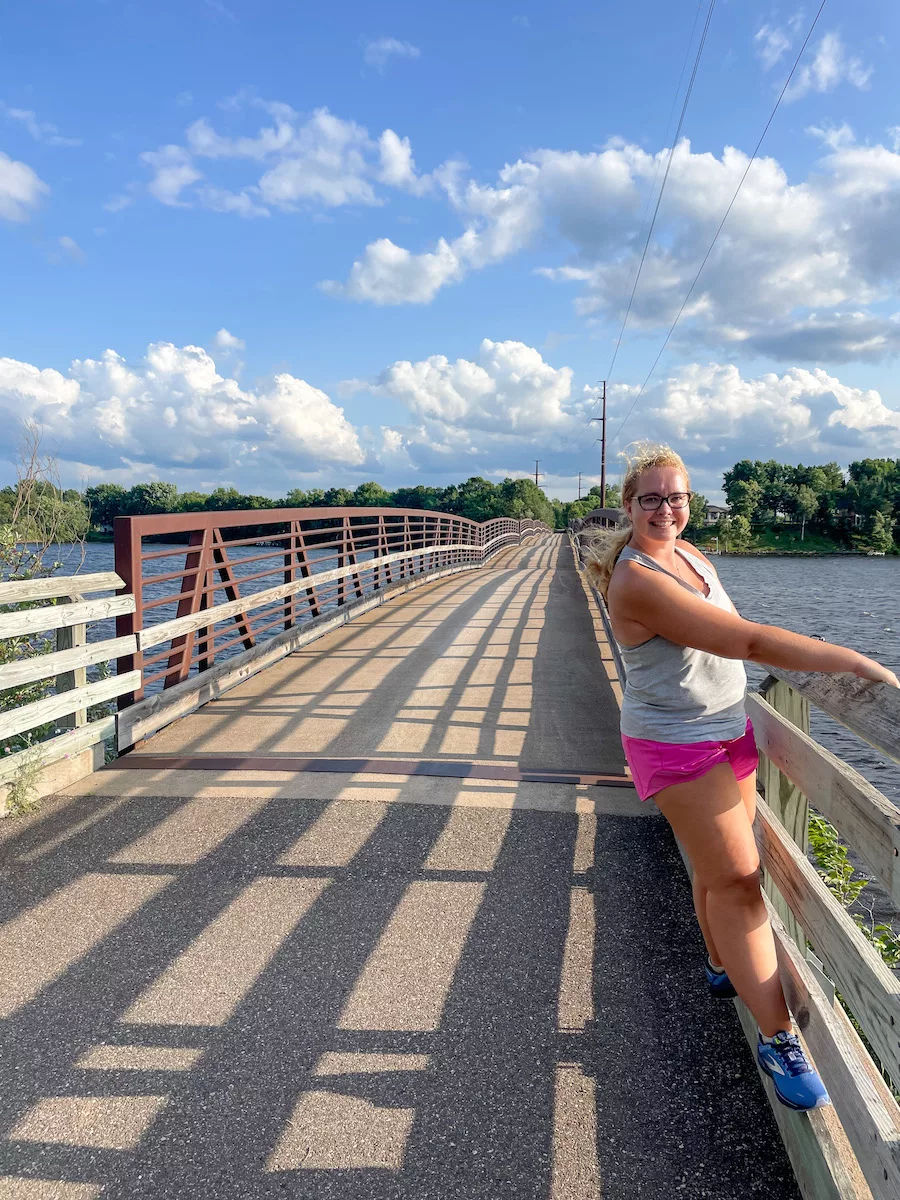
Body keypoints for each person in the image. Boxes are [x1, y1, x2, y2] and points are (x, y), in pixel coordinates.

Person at [584, 442, 899, 1112]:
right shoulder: (638, 578)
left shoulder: (691, 556)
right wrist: (855, 662)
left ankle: (724, 965)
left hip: (726, 729)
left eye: (677, 497)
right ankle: (778, 1035)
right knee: (739, 883)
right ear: (629, 506)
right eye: (651, 499)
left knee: (716, 870)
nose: (666, 508)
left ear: (689, 501)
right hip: (676, 744)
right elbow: (749, 642)